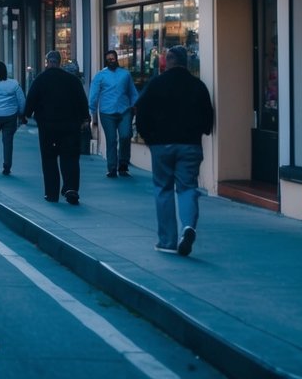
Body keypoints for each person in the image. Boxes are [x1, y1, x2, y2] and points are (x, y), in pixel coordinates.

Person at [135, 45, 214, 256]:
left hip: (161, 145)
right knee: (188, 187)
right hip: (190, 145)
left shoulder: (156, 84)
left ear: (168, 61)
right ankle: (187, 226)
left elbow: (140, 109)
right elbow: (208, 117)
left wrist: (148, 137)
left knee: (163, 188)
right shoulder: (198, 86)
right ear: (185, 63)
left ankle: (167, 241)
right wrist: (200, 131)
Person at [25, 51, 90, 205]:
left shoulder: (40, 79)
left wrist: (25, 115)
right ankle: (71, 187)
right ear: (60, 62)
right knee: (71, 157)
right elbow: (82, 101)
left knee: (49, 159)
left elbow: (31, 100)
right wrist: (85, 118)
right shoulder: (72, 80)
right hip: (70, 126)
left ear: (47, 62)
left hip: (48, 127)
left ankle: (52, 193)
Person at [89, 50, 139, 178]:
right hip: (107, 112)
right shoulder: (100, 76)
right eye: (108, 59)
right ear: (106, 61)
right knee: (111, 140)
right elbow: (94, 94)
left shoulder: (125, 74)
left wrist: (136, 105)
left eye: (113, 58)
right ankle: (111, 168)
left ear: (117, 59)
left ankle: (123, 165)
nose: (111, 61)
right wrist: (91, 110)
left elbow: (132, 91)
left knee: (125, 136)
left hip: (124, 111)